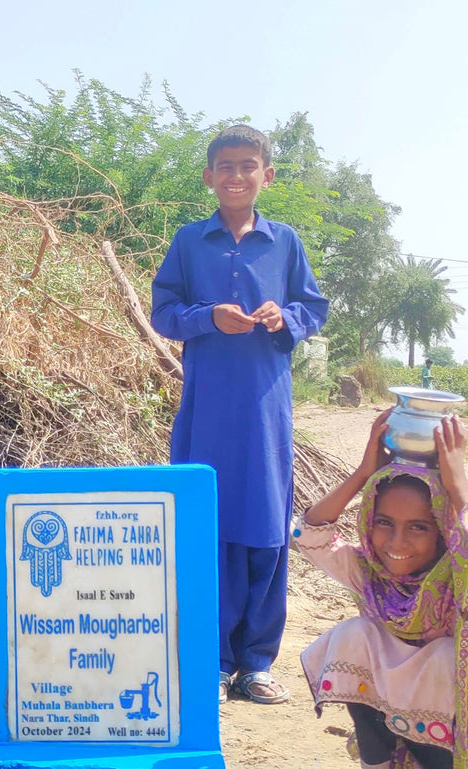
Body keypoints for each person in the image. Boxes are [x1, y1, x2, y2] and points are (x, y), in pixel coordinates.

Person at [150, 125, 329, 705]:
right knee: (207, 519)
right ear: (208, 176)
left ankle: (255, 663)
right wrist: (208, 317)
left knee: (265, 526)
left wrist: (286, 319)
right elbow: (164, 312)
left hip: (266, 411)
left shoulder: (285, 243)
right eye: (224, 166)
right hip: (206, 411)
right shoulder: (188, 242)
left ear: (266, 175)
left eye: (248, 165)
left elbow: (313, 306)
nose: (235, 175)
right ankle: (209, 659)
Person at [295, 411, 468, 769]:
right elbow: (307, 535)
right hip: (388, 729)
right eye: (384, 523)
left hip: (450, 743)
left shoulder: (457, 580)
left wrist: (458, 492)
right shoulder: (367, 572)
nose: (396, 542)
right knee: (354, 634)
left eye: (419, 527)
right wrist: (362, 475)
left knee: (442, 658)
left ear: (443, 529)